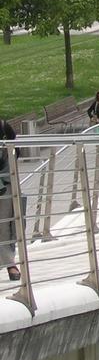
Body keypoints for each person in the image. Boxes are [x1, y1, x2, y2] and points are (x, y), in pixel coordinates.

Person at [0, 118, 21, 281]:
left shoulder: (3, 126)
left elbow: (15, 151)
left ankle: (10, 263)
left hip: (4, 184)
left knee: (4, 225)